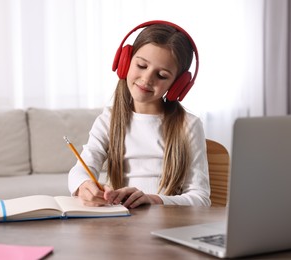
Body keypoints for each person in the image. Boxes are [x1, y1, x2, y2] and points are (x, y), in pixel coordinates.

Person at [68, 20, 210, 208]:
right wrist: (83, 185)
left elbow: (201, 198)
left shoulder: (188, 125)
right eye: (142, 65)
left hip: (166, 224)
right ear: (124, 62)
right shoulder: (108, 120)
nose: (147, 79)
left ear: (177, 85)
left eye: (162, 75)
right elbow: (79, 171)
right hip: (121, 226)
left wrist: (154, 200)